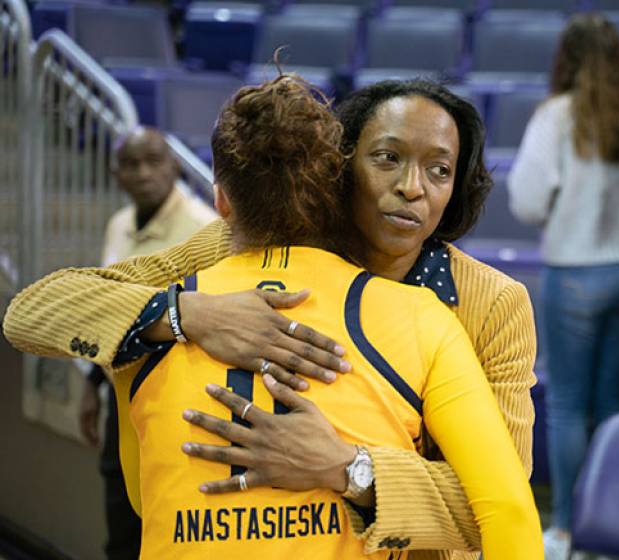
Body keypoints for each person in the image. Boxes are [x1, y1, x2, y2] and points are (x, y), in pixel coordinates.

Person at [2, 79, 538, 560]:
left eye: (439, 170)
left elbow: (491, 505)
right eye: (387, 158)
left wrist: (349, 469)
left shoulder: (492, 304)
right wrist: (185, 312)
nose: (412, 187)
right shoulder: (236, 247)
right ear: (339, 166)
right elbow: (36, 308)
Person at [506, 14, 619, 560]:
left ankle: (570, 531)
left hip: (574, 274)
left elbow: (525, 200)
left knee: (568, 405)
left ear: (565, 59)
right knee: (612, 403)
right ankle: (614, 527)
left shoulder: (556, 117)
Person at [79, 127, 215, 560]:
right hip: (119, 396)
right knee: (119, 531)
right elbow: (107, 312)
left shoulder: (204, 230)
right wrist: (91, 385)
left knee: (162, 533)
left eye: (153, 162)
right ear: (115, 173)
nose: (143, 174)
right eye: (131, 164)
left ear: (175, 166)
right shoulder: (119, 224)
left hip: (173, 402)